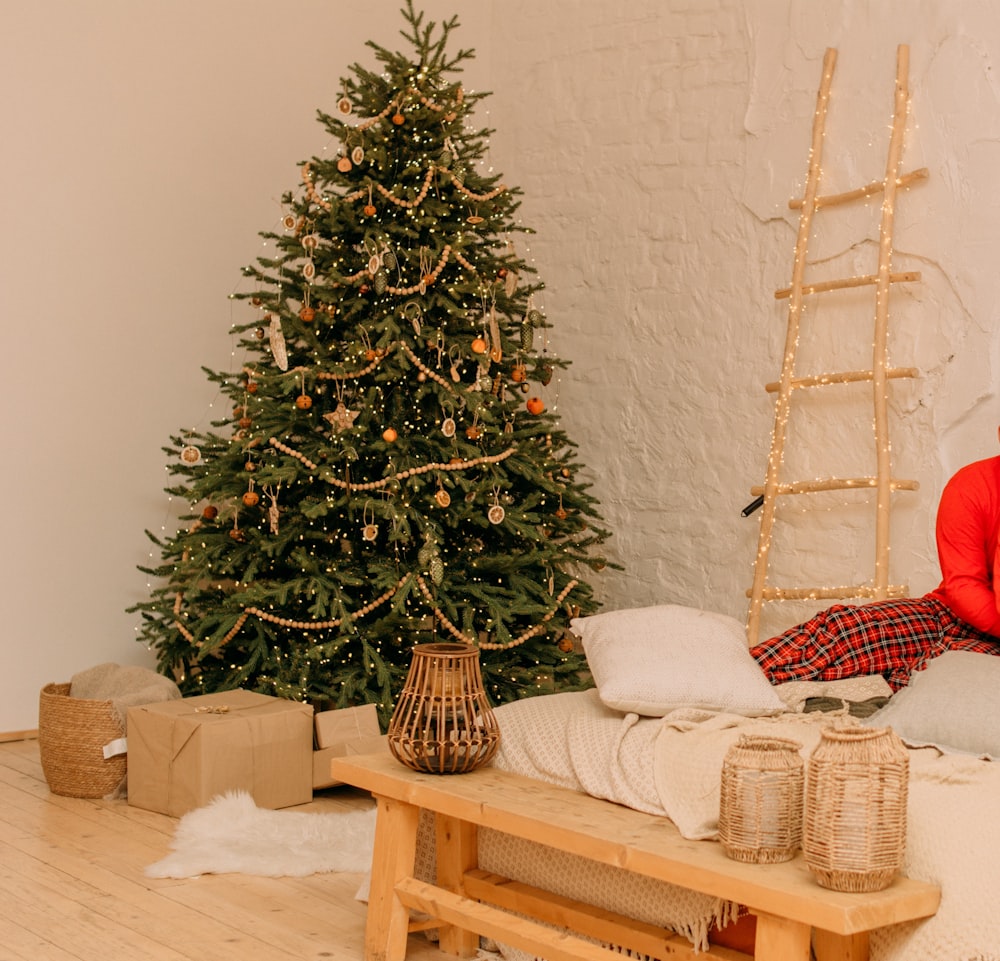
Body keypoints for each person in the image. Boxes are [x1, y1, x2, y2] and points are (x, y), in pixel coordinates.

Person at [750, 430, 1000, 691]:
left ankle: (899, 688)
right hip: (952, 615)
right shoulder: (971, 485)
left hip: (986, 648)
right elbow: (963, 586)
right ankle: (729, 675)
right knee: (844, 629)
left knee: (945, 668)